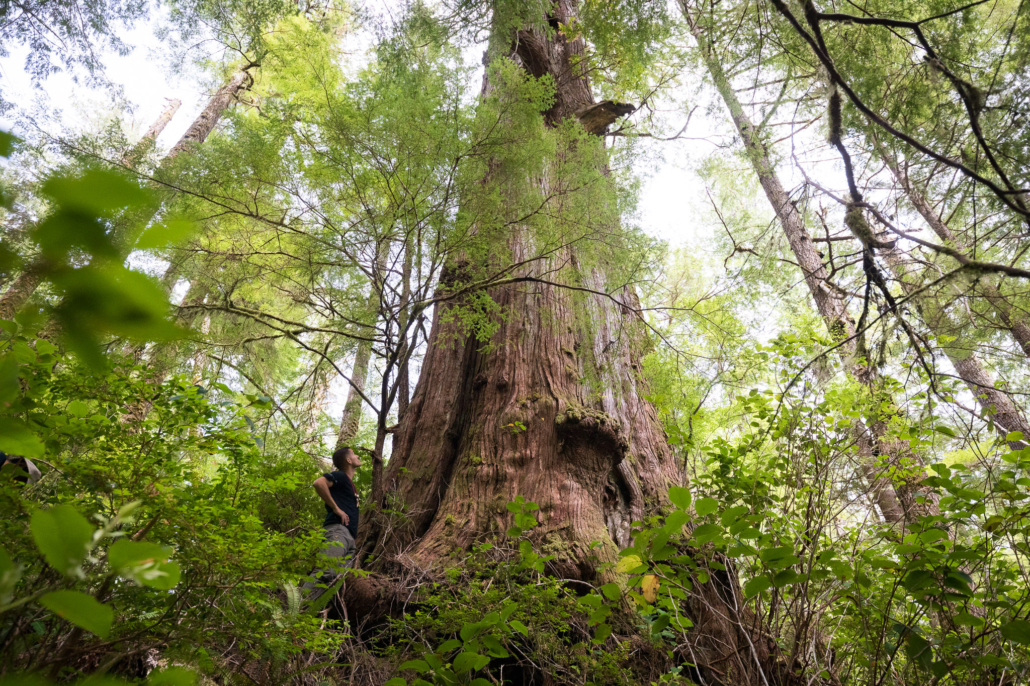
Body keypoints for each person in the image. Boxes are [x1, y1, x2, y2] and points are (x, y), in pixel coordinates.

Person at [311, 446, 362, 577]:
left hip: (348, 538)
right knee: (325, 573)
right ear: (349, 460)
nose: (357, 456)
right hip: (338, 531)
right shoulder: (341, 476)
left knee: (335, 580)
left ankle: (313, 598)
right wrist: (336, 508)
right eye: (354, 454)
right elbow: (318, 483)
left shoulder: (348, 482)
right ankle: (301, 598)